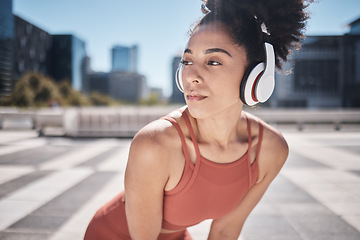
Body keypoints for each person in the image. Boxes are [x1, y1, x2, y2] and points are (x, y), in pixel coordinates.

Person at [84, 0, 312, 239]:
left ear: (256, 76)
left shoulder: (270, 150)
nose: (191, 76)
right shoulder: (155, 144)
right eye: (187, 61)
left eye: (213, 61)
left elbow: (224, 231)